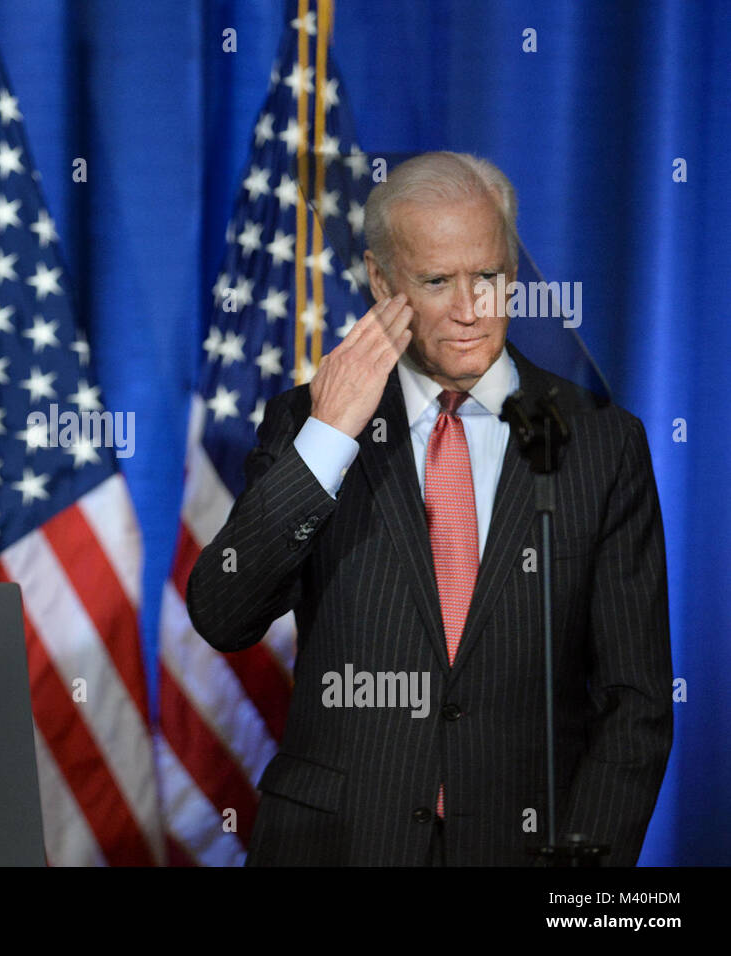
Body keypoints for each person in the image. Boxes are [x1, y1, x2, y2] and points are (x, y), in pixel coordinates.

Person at [187, 152, 672, 866]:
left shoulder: (603, 443)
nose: (472, 310)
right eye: (438, 282)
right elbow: (223, 614)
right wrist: (328, 440)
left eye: (489, 277)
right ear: (382, 281)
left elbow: (637, 704)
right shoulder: (308, 424)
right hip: (335, 846)